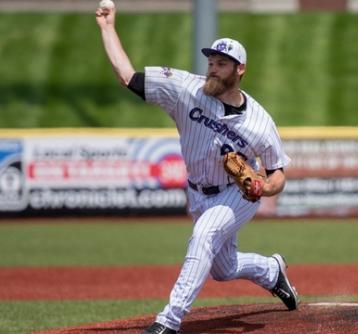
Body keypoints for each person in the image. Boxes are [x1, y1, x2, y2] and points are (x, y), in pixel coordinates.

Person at [95, 5, 298, 334]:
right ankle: (272, 270)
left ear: (240, 69)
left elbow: (278, 174)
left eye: (222, 64)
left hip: (237, 194)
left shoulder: (260, 122)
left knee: (204, 236)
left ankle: (169, 320)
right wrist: (107, 27)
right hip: (198, 192)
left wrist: (263, 187)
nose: (213, 70)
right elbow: (128, 77)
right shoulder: (186, 90)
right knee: (223, 268)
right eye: (211, 63)